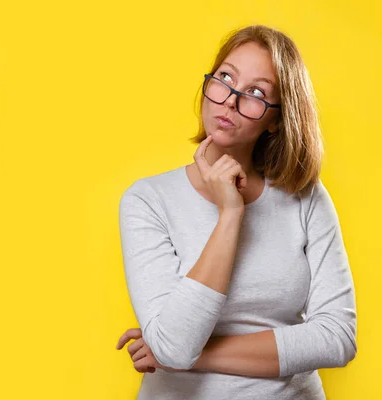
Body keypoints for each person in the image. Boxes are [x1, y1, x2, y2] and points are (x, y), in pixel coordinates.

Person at [115, 24, 357, 399]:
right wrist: (230, 215)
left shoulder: (304, 196)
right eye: (225, 77)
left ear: (276, 119)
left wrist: (191, 355)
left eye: (256, 92)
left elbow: (337, 337)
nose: (230, 99)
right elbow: (175, 346)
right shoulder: (148, 200)